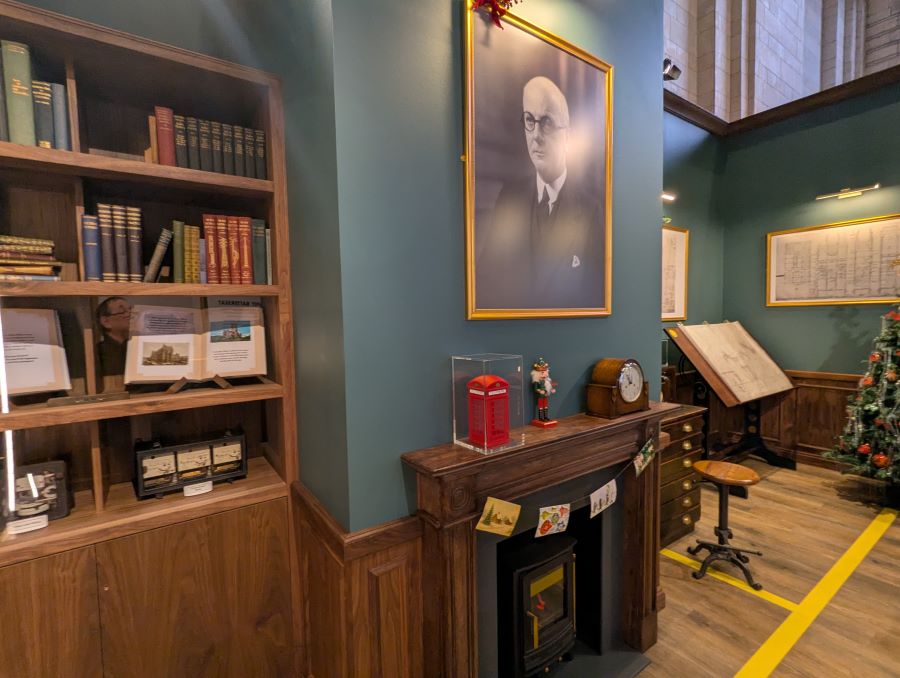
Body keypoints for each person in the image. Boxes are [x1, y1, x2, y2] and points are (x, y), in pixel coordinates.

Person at [477, 76, 603, 309]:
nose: (536, 135)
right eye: (529, 120)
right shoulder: (509, 197)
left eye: (546, 122)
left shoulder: (592, 209)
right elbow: (486, 274)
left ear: (567, 135)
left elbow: (595, 291)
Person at [96, 296, 131, 379]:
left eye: (131, 309)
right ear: (106, 322)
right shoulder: (97, 352)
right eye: (122, 311)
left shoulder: (137, 347)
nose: (130, 314)